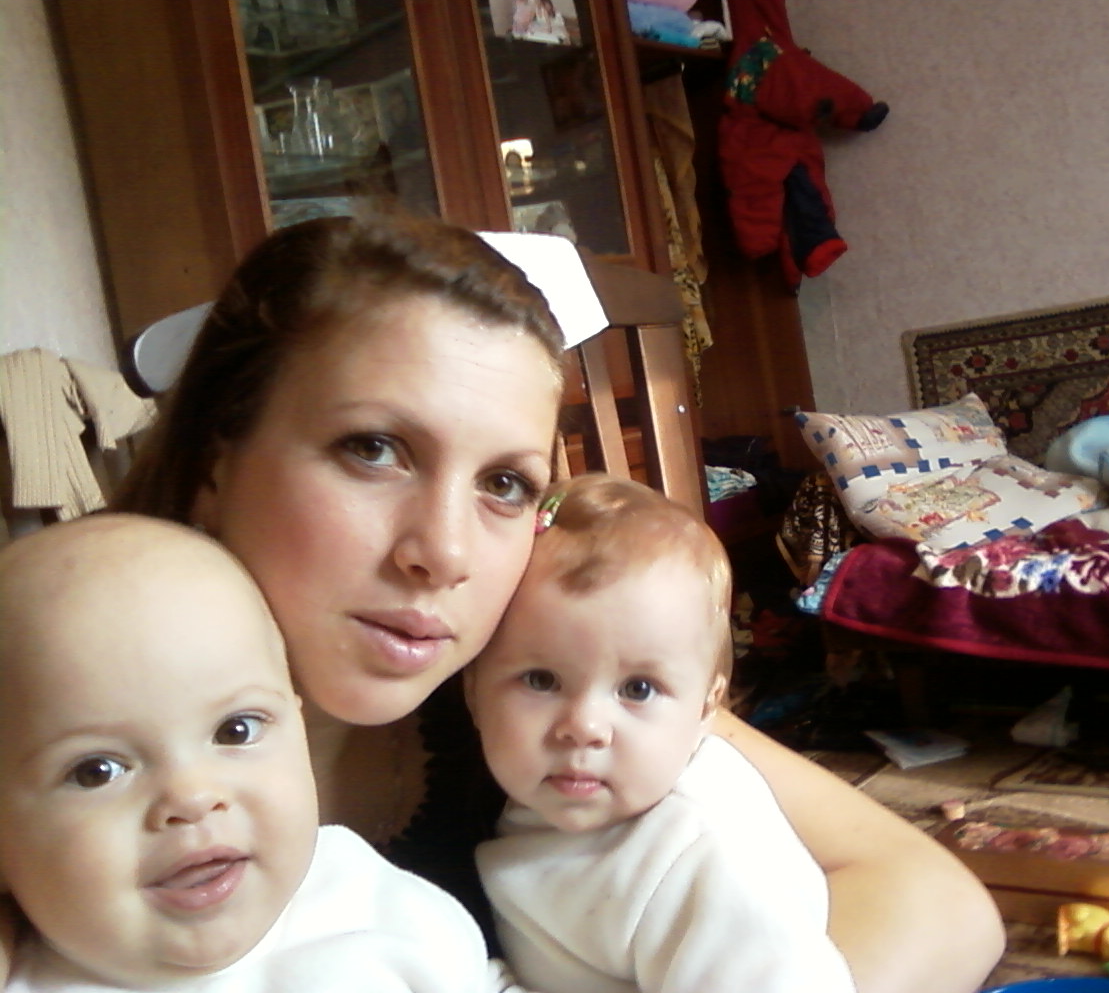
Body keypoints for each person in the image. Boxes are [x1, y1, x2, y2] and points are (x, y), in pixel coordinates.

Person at [0, 207, 1002, 993]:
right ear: (217, 458)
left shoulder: (538, 671)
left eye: (505, 484)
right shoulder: (43, 717)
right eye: (373, 449)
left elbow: (935, 902)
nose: (442, 554)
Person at [0, 514, 523, 992]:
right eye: (96, 771)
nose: (193, 797)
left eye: (236, 731)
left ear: (297, 724)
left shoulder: (373, 904)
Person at [467, 473, 855, 992]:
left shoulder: (702, 860)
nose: (584, 728)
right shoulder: (541, 804)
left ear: (705, 709)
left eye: (638, 689)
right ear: (473, 692)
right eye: (541, 680)